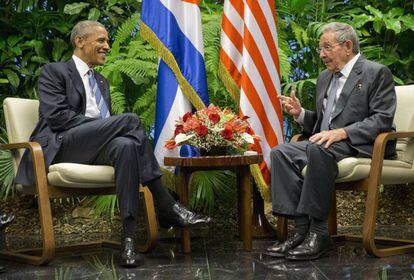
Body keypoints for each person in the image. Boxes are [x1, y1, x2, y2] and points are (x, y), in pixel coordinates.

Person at [15, 20, 211, 268]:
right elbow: (56, 117)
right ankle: (166, 204)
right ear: (80, 41)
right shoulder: (54, 72)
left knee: (126, 147)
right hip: (63, 145)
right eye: (101, 40)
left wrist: (104, 130)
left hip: (96, 148)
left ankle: (128, 241)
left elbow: (109, 127)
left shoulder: (101, 82)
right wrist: (98, 127)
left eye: (107, 41)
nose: (107, 46)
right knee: (129, 121)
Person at [266, 22, 396, 260]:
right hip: (326, 144)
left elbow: (382, 119)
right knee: (280, 153)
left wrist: (343, 132)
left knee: (318, 149)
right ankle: (301, 231)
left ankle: (319, 233)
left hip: (360, 144)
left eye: (327, 47)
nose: (322, 54)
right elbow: (323, 123)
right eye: (320, 49)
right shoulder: (325, 77)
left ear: (347, 46)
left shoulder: (375, 73)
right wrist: (301, 114)